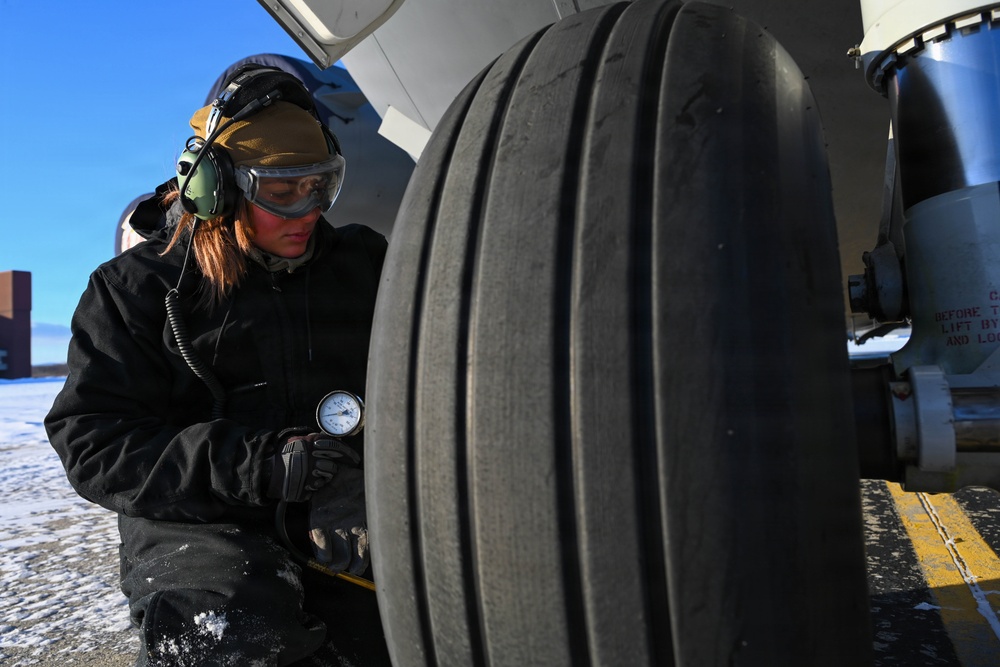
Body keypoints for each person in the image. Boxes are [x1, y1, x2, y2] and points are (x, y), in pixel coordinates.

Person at [45, 66, 390, 666]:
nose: (307, 210)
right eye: (282, 192)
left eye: (321, 186)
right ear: (215, 187)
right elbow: (94, 443)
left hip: (345, 495)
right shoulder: (135, 291)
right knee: (231, 635)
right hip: (198, 519)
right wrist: (248, 463)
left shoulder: (363, 264)